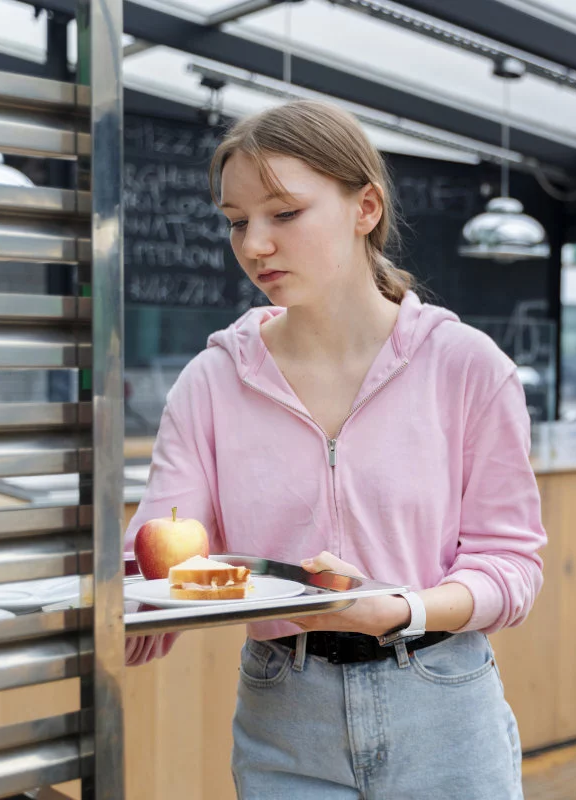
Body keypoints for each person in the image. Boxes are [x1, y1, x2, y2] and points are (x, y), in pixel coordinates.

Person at [123, 100, 545, 799]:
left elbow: (511, 566)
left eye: (283, 214)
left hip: (442, 699)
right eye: (236, 221)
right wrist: (138, 600)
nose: (254, 244)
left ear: (366, 208)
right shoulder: (212, 380)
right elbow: (168, 541)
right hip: (285, 709)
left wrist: (401, 608)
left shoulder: (468, 366)